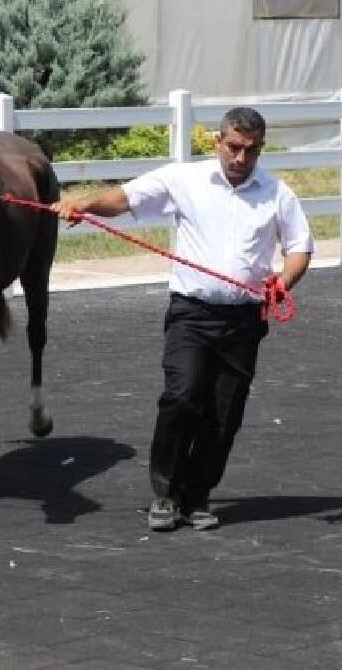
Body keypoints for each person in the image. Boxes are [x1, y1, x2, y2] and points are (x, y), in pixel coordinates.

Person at [52, 106, 313, 531]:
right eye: (234, 147)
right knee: (183, 394)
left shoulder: (278, 194)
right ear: (217, 142)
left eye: (251, 150)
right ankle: (166, 493)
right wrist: (83, 205)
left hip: (244, 319)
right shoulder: (183, 180)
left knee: (223, 412)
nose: (241, 158)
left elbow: (300, 247)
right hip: (191, 314)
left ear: (260, 148)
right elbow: (123, 198)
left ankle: (198, 495)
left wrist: (284, 280)